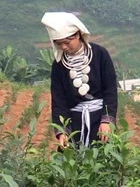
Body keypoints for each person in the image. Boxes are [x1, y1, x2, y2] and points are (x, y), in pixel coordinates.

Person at [41, 12, 117, 148]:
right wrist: (62, 131)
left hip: (100, 121)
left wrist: (106, 121)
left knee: (104, 159)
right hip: (75, 124)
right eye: (59, 44)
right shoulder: (58, 65)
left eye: (67, 42)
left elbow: (110, 90)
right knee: (72, 162)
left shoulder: (100, 54)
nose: (63, 47)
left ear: (78, 35)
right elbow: (58, 100)